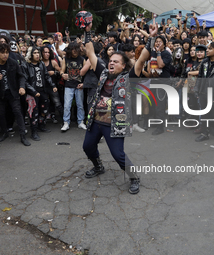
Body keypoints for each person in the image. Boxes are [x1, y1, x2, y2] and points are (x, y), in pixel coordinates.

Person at [82, 19, 156, 194]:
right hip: (95, 121)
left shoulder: (127, 78)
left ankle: (134, 177)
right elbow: (90, 52)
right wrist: (87, 32)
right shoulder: (102, 73)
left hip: (114, 124)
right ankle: (98, 166)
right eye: (110, 60)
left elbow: (142, 59)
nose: (111, 63)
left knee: (118, 155)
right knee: (87, 147)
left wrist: (151, 38)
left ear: (123, 65)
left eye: (116, 61)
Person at [0, 43, 31, 146]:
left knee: (17, 112)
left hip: (13, 92)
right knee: (1, 113)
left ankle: (23, 135)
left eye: (7, 52)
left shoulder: (13, 62)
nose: (5, 55)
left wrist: (22, 87)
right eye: (3, 53)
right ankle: (4, 132)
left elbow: (21, 76)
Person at [22, 46, 59, 140]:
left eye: (38, 53)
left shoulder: (41, 64)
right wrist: (33, 91)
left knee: (45, 109)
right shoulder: (26, 65)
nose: (37, 55)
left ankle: (41, 125)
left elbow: (46, 76)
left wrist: (53, 86)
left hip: (42, 90)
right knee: (33, 112)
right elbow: (25, 81)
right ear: (30, 54)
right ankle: (33, 132)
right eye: (35, 53)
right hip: (32, 92)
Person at [60, 42, 86, 132]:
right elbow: (61, 71)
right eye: (73, 49)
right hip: (68, 85)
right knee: (67, 105)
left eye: (76, 49)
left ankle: (81, 121)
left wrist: (84, 83)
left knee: (80, 105)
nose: (74, 51)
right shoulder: (65, 59)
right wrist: (63, 75)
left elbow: (87, 74)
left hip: (79, 85)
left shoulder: (82, 59)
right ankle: (66, 122)